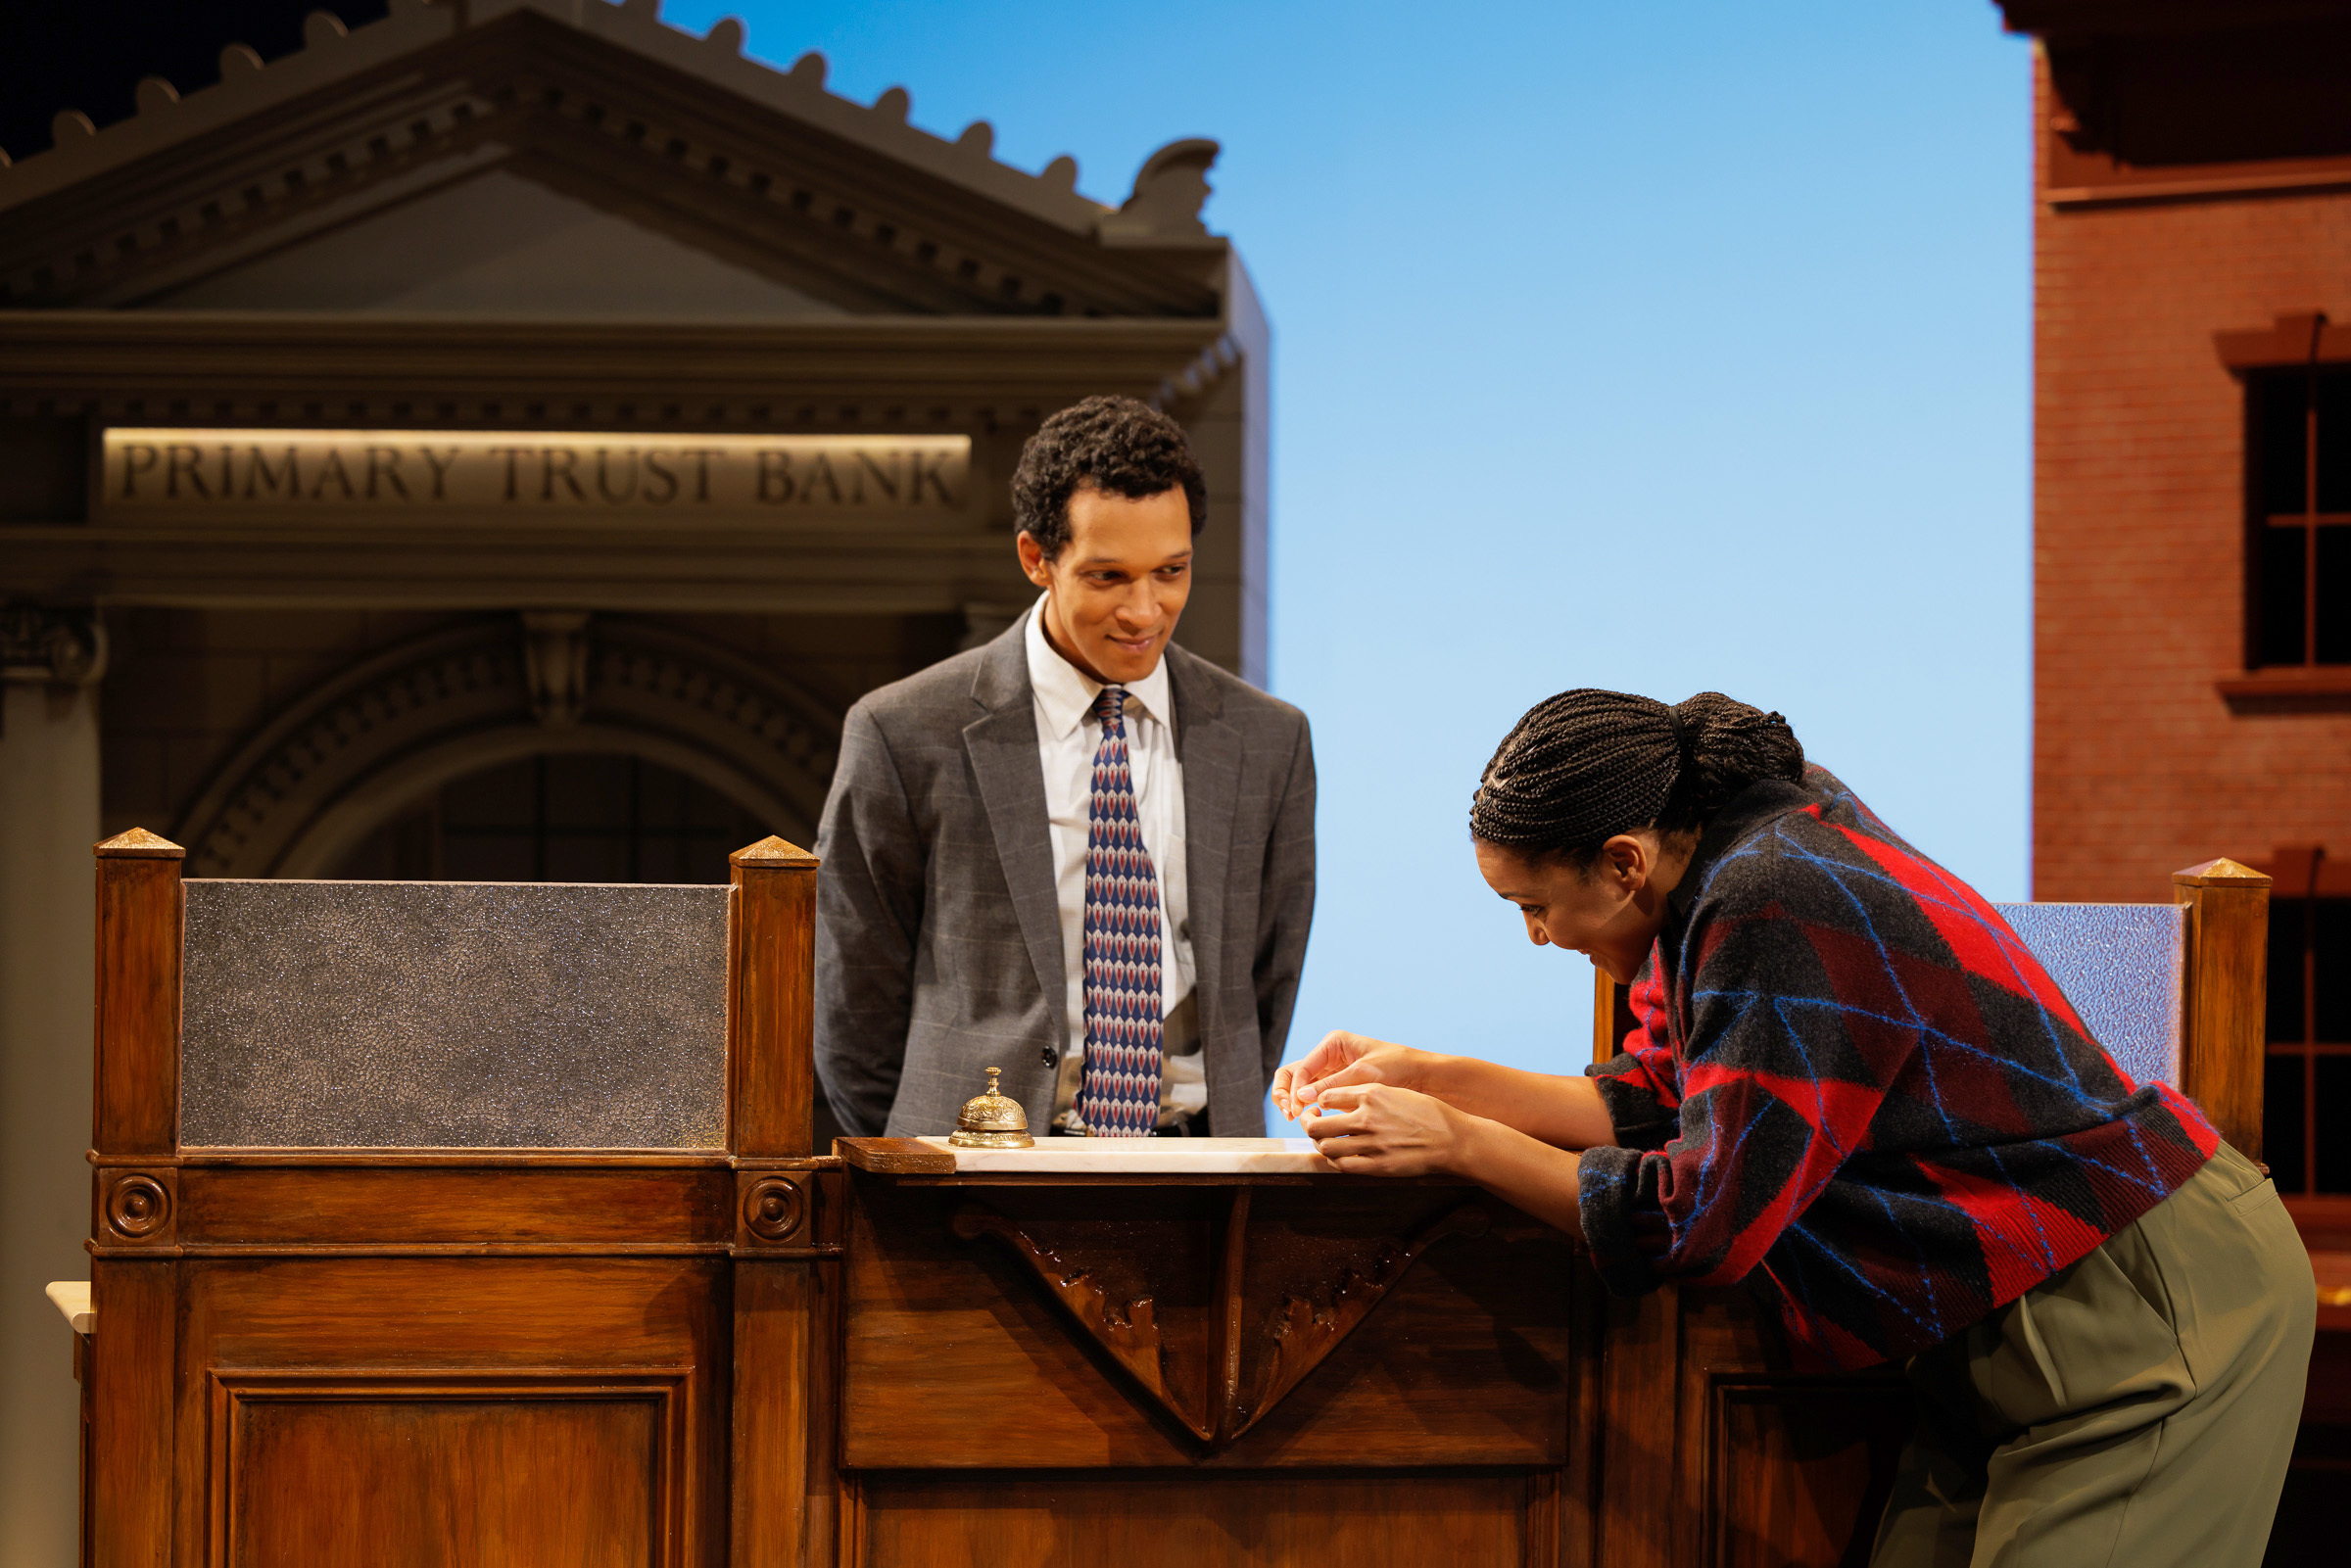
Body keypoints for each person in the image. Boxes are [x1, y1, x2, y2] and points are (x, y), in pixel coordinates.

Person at [1273, 689, 2313, 1567]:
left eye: (1534, 904)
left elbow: (1701, 1220)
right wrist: (1430, 1076)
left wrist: (1457, 1143)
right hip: (2002, 1319)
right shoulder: (1727, 868)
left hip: (2146, 1305)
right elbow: (1676, 1098)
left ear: (1624, 862)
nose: (1537, 934)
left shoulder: (1770, 894)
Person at [816, 395, 1316, 1139]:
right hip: (965, 1177)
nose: (1145, 610)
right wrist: (921, 1168)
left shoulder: (1267, 738)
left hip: (1199, 1176)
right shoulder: (903, 732)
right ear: (1035, 559)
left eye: (1171, 571)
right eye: (1108, 577)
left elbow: (1264, 987)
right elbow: (852, 1003)